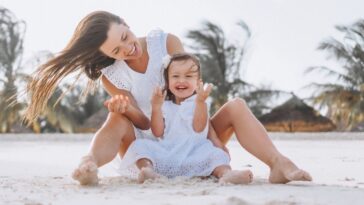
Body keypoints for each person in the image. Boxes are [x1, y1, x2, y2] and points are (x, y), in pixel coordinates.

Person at [24, 11, 312, 185]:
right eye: (116, 50)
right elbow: (144, 123)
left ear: (126, 22)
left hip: (190, 135)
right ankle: (88, 164)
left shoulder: (167, 42)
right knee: (117, 115)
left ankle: (278, 163)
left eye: (125, 36)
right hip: (150, 146)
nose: (128, 48)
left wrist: (211, 139)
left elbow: (189, 91)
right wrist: (127, 109)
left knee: (236, 105)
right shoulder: (112, 75)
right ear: (107, 56)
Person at [120, 53, 253, 184]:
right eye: (175, 76)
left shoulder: (199, 103)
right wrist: (156, 107)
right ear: (168, 81)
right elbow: (157, 132)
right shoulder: (164, 105)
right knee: (140, 146)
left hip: (195, 152)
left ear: (198, 83)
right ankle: (148, 171)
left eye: (188, 76)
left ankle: (226, 174)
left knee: (216, 156)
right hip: (168, 152)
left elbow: (199, 128)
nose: (181, 80)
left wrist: (200, 102)